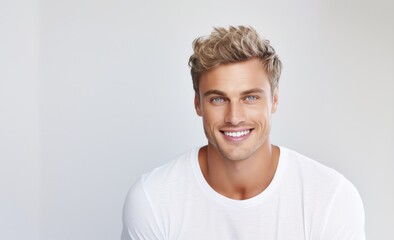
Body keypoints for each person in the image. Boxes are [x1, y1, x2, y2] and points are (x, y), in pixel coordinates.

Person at [121, 26, 365, 240]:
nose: (234, 117)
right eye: (218, 99)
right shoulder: (153, 199)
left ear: (274, 100)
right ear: (198, 104)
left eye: (250, 97)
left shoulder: (331, 198)